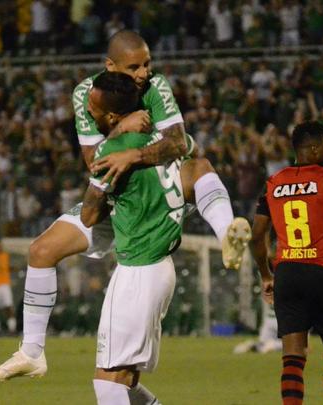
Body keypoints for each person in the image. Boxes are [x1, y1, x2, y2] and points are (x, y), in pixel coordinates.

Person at [0, 30, 250, 398]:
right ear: (110, 67)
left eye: (147, 64)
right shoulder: (86, 93)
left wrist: (133, 151)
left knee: (199, 165)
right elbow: (98, 162)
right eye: (134, 66)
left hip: (150, 204)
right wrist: (125, 132)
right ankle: (31, 352)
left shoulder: (156, 86)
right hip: (116, 200)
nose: (144, 72)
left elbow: (181, 144)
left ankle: (227, 237)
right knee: (42, 251)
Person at [78, 71, 244, 405]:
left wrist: (104, 180)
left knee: (109, 382)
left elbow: (89, 216)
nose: (88, 113)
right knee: (126, 381)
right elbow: (191, 152)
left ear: (111, 116)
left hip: (139, 268)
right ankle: (223, 225)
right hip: (159, 268)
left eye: (92, 109)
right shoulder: (161, 140)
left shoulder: (111, 152)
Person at [250, 121, 323, 405]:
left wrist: (266, 275)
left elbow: (257, 235)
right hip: (322, 272)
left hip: (287, 273)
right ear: (312, 149)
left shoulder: (273, 183)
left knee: (293, 357)